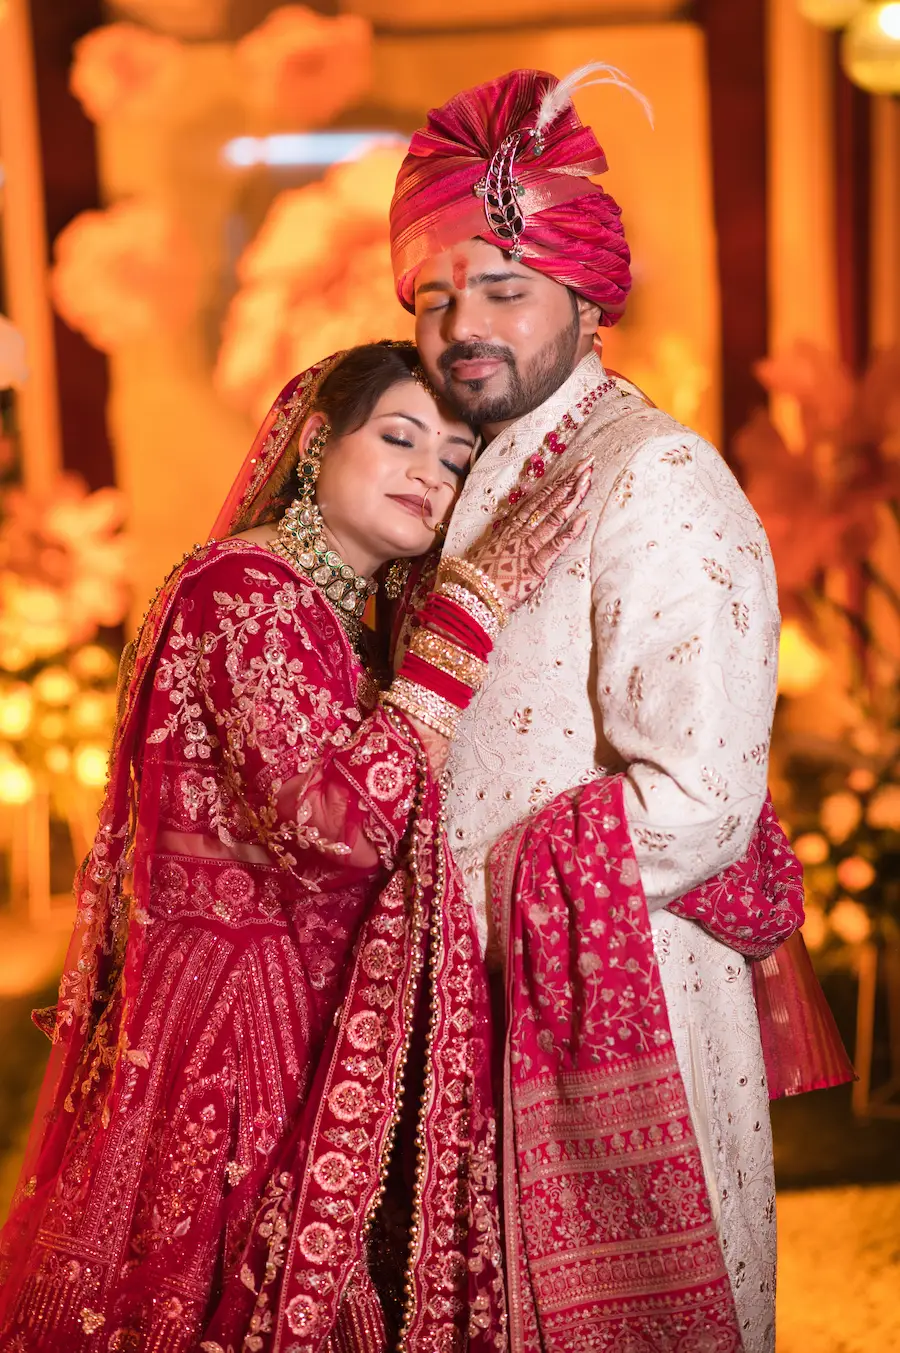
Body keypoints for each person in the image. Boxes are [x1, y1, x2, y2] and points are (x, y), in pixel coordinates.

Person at [388, 65, 852, 1353]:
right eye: (433, 298)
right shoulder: (460, 470)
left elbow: (700, 804)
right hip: (464, 993)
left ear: (587, 299)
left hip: (613, 991)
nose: (461, 323)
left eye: (502, 289)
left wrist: (482, 896)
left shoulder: (656, 482)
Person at [0, 341, 590, 1351]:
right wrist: (461, 629)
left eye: (453, 460)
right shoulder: (244, 588)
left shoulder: (330, 616)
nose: (427, 474)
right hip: (236, 1038)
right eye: (399, 437)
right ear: (317, 444)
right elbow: (332, 826)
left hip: (302, 1011)